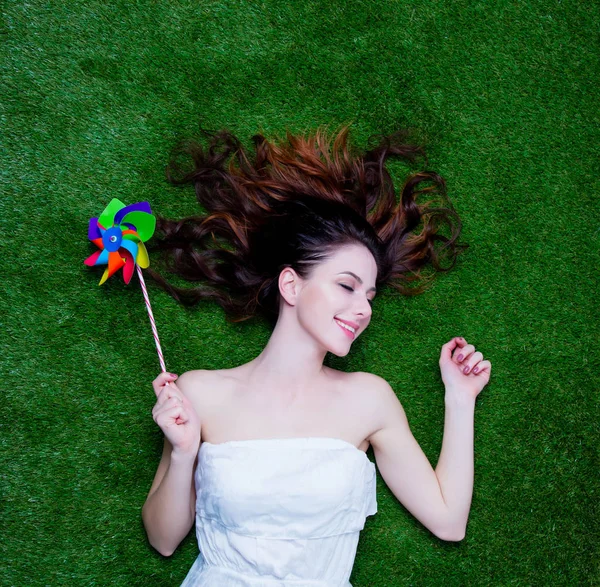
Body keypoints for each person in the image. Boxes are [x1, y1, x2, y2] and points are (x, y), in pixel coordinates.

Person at [141, 125, 492, 586]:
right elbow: (163, 540)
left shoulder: (370, 399)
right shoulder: (201, 392)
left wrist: (460, 398)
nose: (363, 308)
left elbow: (449, 521)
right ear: (292, 285)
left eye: (369, 295)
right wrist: (185, 454)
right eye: (346, 286)